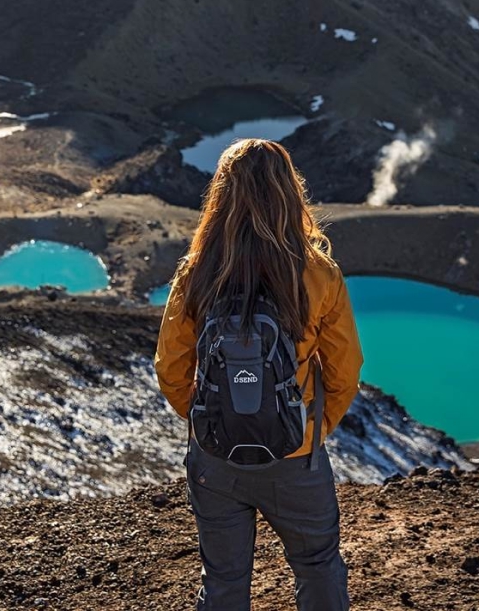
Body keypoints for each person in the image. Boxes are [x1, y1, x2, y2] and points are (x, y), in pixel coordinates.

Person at [155, 138, 363, 611]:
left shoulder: (196, 272)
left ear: (221, 196)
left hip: (215, 458)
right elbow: (345, 370)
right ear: (290, 192)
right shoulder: (317, 273)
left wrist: (209, 419)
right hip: (296, 457)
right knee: (318, 566)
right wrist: (311, 430)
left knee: (225, 580)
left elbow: (170, 368)